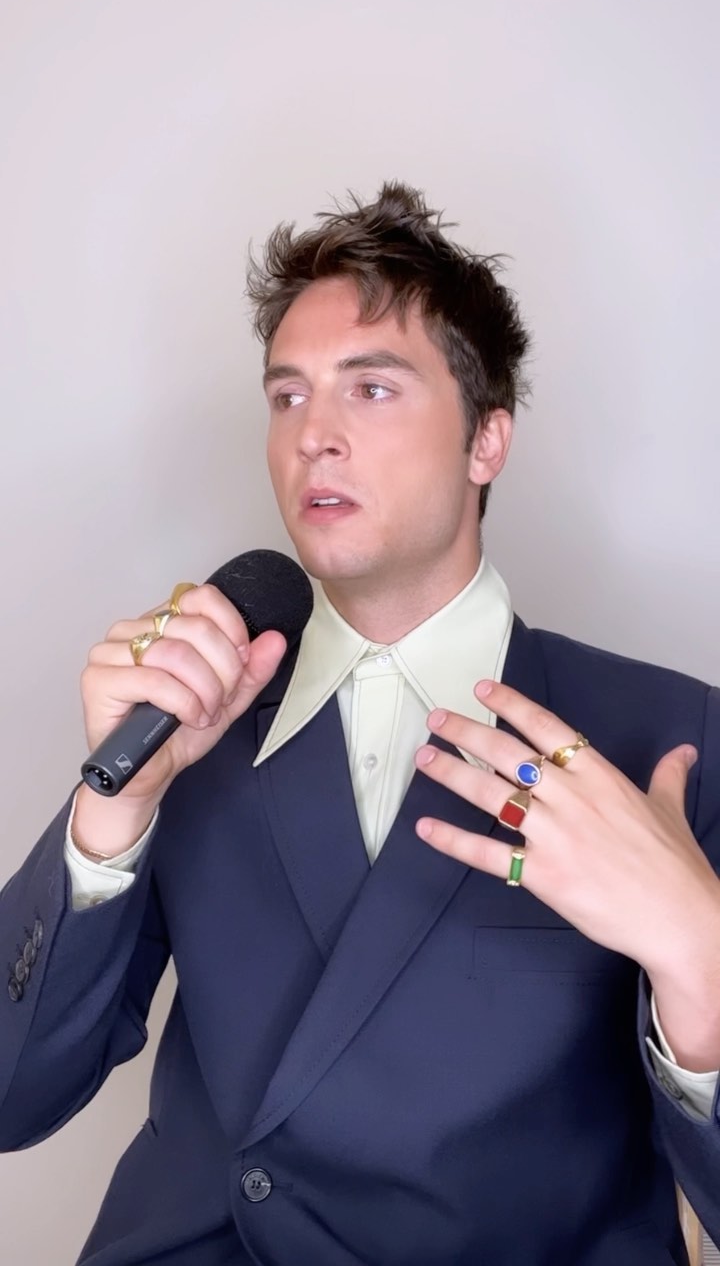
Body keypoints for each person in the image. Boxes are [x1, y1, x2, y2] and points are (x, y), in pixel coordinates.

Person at [0, 181, 718, 1266]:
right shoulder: (192, 720)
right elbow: (14, 1098)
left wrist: (702, 959)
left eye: (371, 388)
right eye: (287, 397)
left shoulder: (666, 737)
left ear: (487, 440)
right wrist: (113, 810)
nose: (314, 436)